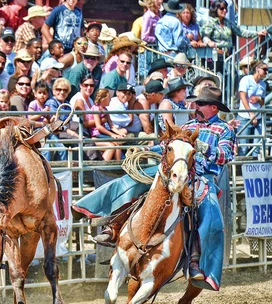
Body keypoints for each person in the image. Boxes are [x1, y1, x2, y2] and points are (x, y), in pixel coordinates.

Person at [74, 86, 235, 289]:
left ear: (213, 107)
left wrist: (204, 147)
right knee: (132, 181)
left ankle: (199, 264)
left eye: (200, 104)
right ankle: (110, 224)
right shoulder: (188, 126)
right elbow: (169, 146)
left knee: (211, 214)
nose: (196, 106)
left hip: (203, 177)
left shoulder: (225, 129)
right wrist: (145, 149)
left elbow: (226, 155)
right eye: (196, 103)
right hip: (175, 171)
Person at [201, 0, 268, 72]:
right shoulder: (210, 22)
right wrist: (209, 42)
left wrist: (257, 33)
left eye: (226, 8)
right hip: (214, 55)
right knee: (215, 76)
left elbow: (240, 32)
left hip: (227, 55)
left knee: (231, 75)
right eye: (222, 8)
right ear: (215, 9)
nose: (225, 10)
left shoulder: (227, 22)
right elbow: (205, 36)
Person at [237, 61, 268, 156]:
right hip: (245, 116)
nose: (267, 72)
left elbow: (262, 102)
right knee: (243, 147)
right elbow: (243, 97)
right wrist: (251, 113)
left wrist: (258, 99)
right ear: (257, 69)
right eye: (264, 69)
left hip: (258, 117)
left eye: (267, 70)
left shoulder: (263, 84)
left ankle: (253, 169)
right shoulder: (246, 80)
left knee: (257, 147)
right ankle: (241, 170)